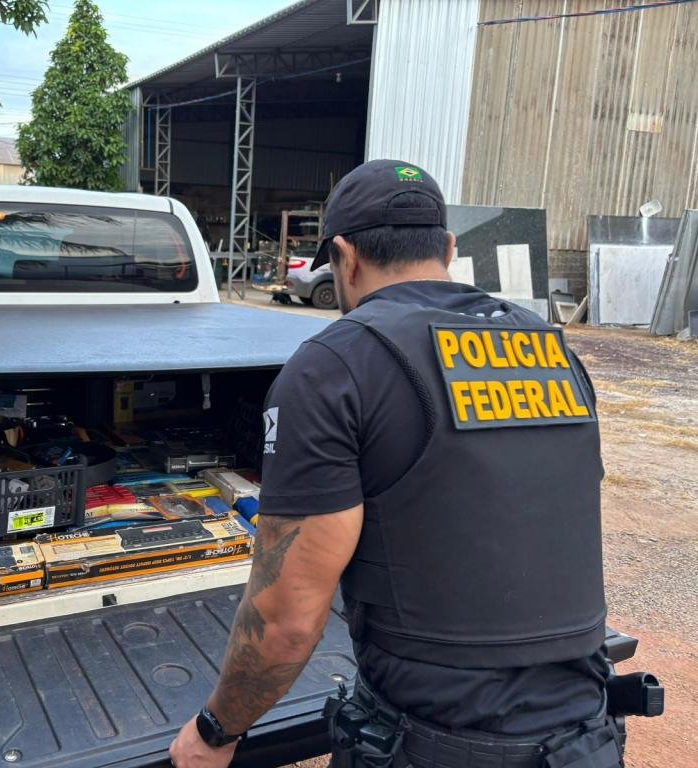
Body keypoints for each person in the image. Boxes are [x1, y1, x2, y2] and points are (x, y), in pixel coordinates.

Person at [169, 160, 622, 768]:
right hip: (585, 735)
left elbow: (286, 620)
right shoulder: (550, 348)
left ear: (344, 257)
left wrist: (215, 731)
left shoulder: (336, 366)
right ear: (449, 249)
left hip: (436, 744)